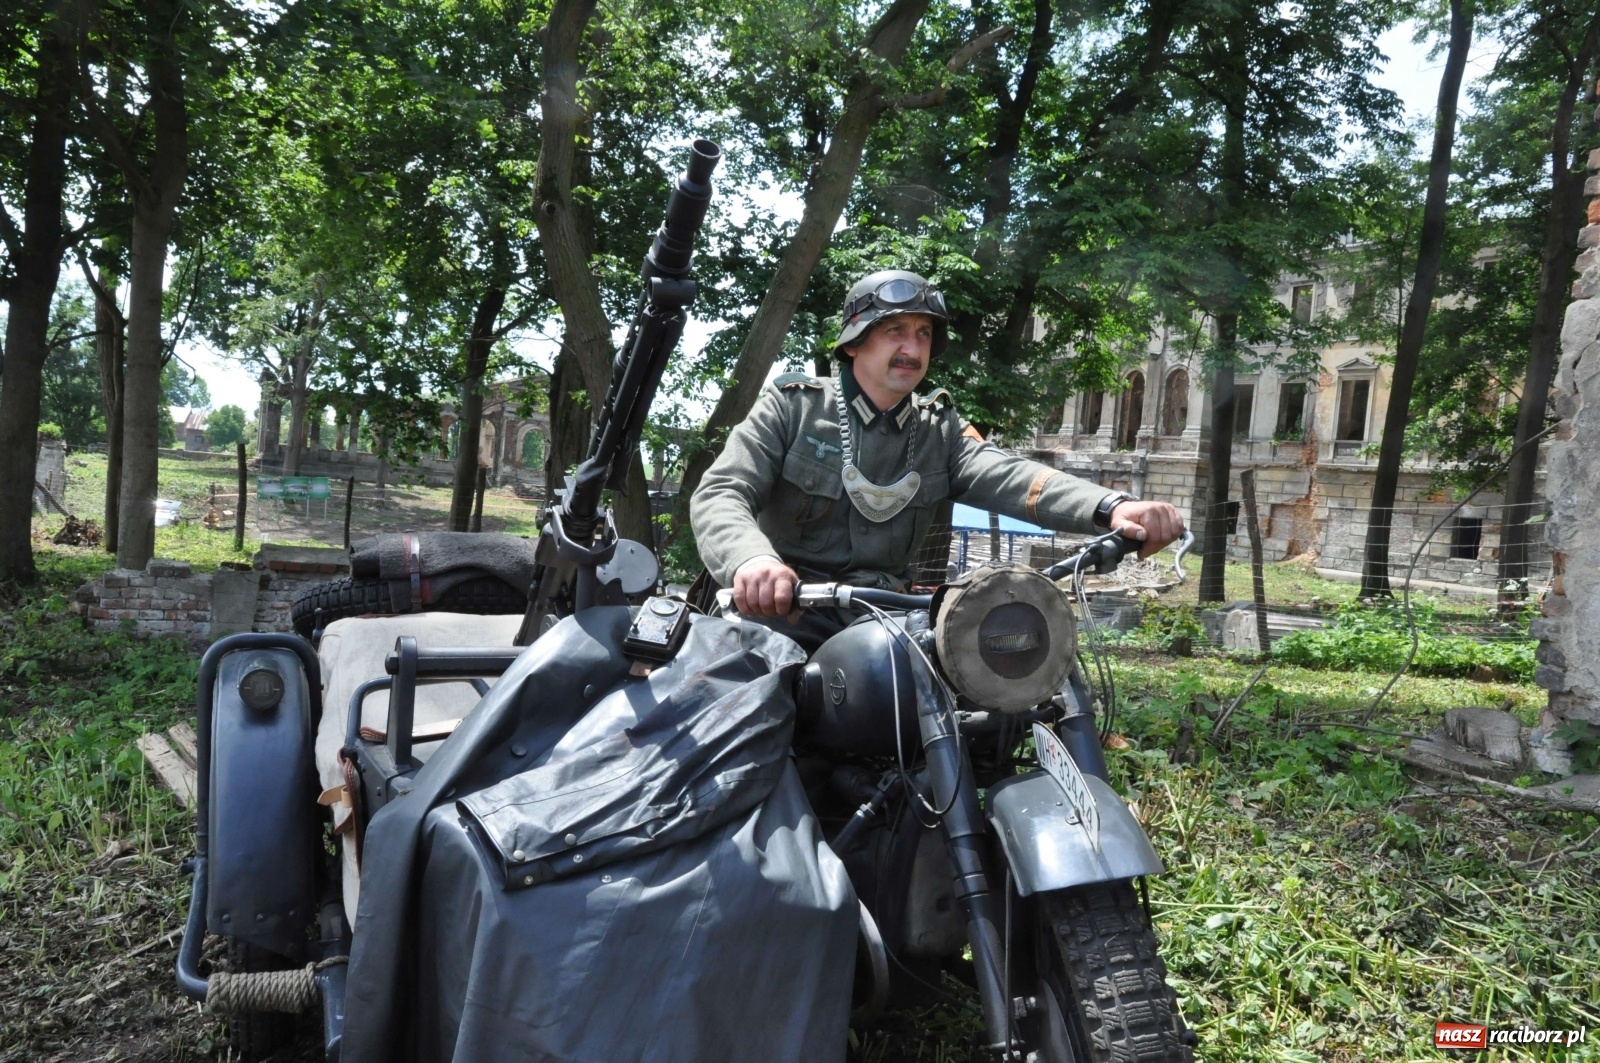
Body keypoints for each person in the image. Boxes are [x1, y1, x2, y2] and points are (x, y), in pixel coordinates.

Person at [690, 269, 1185, 628]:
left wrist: (1113, 507)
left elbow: (1013, 477)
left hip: (885, 623)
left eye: (923, 334)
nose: (912, 348)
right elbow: (721, 492)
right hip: (783, 613)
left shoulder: (938, 429)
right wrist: (751, 563)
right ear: (852, 344)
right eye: (895, 331)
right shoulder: (793, 408)